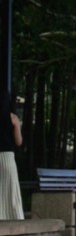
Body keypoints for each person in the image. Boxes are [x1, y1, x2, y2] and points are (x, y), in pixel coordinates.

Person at [0, 91, 23, 220]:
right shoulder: (13, 118)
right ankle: (13, 218)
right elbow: (18, 142)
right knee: (10, 190)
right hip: (7, 157)